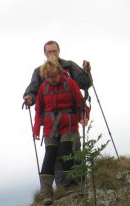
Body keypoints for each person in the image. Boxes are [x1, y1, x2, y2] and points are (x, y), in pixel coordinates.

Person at [23, 40, 92, 187]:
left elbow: (84, 83)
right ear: (45, 54)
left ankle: (79, 184)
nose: (52, 54)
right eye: (49, 52)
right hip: (52, 122)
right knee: (57, 154)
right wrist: (29, 97)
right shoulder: (40, 71)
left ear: (59, 51)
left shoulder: (69, 66)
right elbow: (34, 89)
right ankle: (65, 188)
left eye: (54, 51)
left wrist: (86, 72)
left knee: (73, 149)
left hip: (69, 119)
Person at [32, 60, 85, 206]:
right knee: (49, 156)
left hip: (68, 124)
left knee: (66, 152)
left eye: (53, 77)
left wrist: (83, 117)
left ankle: (70, 186)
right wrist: (36, 129)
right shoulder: (44, 87)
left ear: (58, 73)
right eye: (48, 78)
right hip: (50, 127)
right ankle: (46, 193)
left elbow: (80, 103)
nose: (51, 80)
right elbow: (38, 111)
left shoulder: (70, 83)